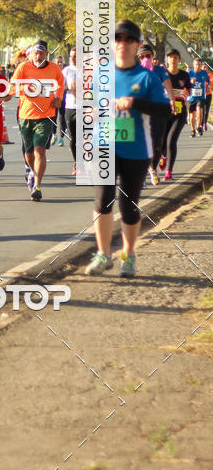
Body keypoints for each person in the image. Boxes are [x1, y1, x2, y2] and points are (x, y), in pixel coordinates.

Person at [85, 20, 171, 278]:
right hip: (104, 145)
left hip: (135, 149)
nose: (122, 44)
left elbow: (165, 110)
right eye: (117, 39)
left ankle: (128, 255)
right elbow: (89, 107)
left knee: (129, 205)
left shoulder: (147, 77)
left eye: (128, 40)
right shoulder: (102, 74)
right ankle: (102, 254)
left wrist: (134, 102)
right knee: (102, 201)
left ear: (136, 45)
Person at [11, 40, 64, 201]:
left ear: (46, 54)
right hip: (25, 115)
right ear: (32, 53)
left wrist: (58, 99)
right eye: (36, 52)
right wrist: (27, 88)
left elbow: (60, 86)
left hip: (46, 115)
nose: (38, 55)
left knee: (39, 149)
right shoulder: (23, 67)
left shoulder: (54, 69)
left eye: (41, 53)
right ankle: (32, 172)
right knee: (28, 152)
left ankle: (38, 185)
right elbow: (13, 86)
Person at [137, 42, 174, 185]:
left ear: (153, 56)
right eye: (142, 56)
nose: (145, 58)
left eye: (148, 55)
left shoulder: (160, 70)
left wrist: (171, 101)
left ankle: (152, 167)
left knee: (158, 144)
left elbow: (168, 86)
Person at [154, 49, 191, 180]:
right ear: (167, 59)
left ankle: (169, 171)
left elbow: (188, 91)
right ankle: (163, 155)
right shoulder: (161, 74)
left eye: (175, 57)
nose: (173, 60)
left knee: (171, 141)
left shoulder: (184, 75)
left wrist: (186, 93)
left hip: (179, 114)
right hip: (165, 112)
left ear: (179, 60)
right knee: (162, 140)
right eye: (170, 57)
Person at [62, 48, 78, 175]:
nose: (73, 58)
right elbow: (58, 86)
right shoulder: (66, 71)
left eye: (76, 56)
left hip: (86, 108)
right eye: (71, 56)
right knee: (73, 139)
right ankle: (77, 162)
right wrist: (68, 87)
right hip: (70, 107)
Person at [188, 56, 209, 136]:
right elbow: (185, 84)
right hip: (191, 97)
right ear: (193, 65)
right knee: (192, 115)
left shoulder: (204, 73)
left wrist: (208, 86)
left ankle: (198, 127)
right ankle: (192, 129)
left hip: (201, 96)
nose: (198, 66)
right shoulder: (189, 73)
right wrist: (190, 81)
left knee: (199, 111)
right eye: (196, 65)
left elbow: (208, 81)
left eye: (199, 65)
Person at [55, 56, 67, 145]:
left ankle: (61, 138)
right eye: (58, 62)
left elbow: (68, 86)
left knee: (62, 118)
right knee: (53, 117)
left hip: (64, 98)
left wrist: (64, 87)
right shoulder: (52, 73)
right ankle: (54, 135)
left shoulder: (66, 73)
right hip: (53, 99)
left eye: (61, 62)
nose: (59, 64)